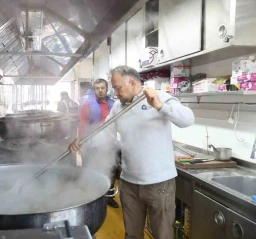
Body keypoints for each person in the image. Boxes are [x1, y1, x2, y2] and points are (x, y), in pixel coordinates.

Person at [69, 65, 195, 239]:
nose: (115, 93)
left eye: (118, 88)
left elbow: (188, 119)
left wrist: (159, 105)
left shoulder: (160, 97)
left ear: (132, 82)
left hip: (159, 184)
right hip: (129, 184)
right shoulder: (118, 108)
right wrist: (82, 141)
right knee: (132, 235)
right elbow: (105, 134)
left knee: (163, 235)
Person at [78, 78, 120, 208]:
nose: (100, 91)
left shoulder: (114, 104)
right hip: (93, 143)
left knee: (111, 170)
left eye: (102, 88)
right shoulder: (88, 104)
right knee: (92, 168)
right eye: (97, 88)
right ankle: (91, 197)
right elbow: (83, 123)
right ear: (94, 90)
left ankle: (109, 197)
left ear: (107, 89)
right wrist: (81, 142)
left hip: (110, 143)